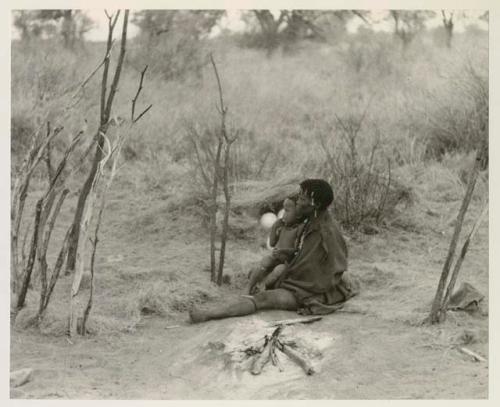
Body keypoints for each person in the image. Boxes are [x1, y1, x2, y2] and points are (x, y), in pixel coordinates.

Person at [189, 179, 358, 323]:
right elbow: (307, 257)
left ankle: (208, 314)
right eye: (299, 196)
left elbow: (322, 272)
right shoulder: (313, 221)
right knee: (265, 274)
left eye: (303, 198)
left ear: (316, 204)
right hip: (304, 284)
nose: (298, 201)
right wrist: (290, 256)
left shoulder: (324, 231)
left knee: (262, 299)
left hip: (311, 293)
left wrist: (288, 274)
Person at [247, 197, 305, 295]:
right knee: (265, 261)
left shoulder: (299, 229)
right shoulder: (282, 226)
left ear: (298, 214)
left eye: (287, 211)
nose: (284, 215)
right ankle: (249, 287)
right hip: (275, 257)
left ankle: (262, 286)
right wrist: (275, 226)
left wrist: (283, 251)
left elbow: (297, 250)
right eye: (283, 211)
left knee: (279, 270)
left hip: (287, 262)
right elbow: (272, 243)